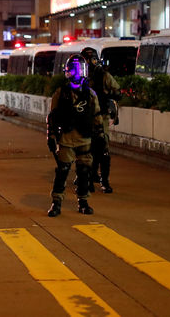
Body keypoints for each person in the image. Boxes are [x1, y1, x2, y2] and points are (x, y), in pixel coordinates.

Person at [46, 54, 103, 217]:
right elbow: (53, 116)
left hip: (85, 138)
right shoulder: (61, 93)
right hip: (67, 138)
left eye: (79, 70)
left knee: (84, 171)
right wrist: (50, 135)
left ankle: (83, 202)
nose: (77, 73)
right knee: (63, 171)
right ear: (68, 72)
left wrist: (100, 136)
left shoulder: (90, 94)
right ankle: (56, 202)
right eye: (74, 70)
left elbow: (97, 115)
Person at [80, 47, 122, 193]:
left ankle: (104, 180)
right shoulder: (78, 76)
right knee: (86, 151)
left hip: (100, 116)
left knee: (102, 150)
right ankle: (89, 180)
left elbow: (117, 91)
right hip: (84, 118)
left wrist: (106, 98)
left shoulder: (102, 75)